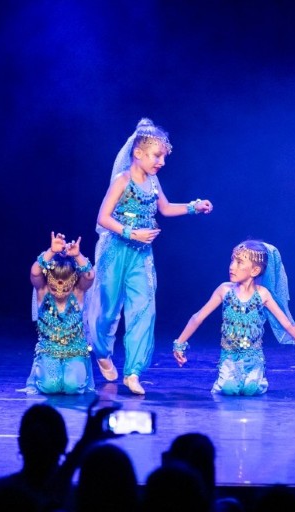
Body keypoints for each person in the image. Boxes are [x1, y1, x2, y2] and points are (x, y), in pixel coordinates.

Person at [84, 118, 213, 395]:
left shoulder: (153, 181)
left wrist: (194, 207)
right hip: (115, 253)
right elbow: (103, 217)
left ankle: (133, 372)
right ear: (138, 153)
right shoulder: (122, 180)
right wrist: (132, 233)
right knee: (107, 310)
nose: (161, 162)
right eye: (157, 156)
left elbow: (164, 209)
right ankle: (102, 352)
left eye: (164, 157)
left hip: (141, 256)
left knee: (144, 310)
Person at [172, 239, 295, 396]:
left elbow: (287, 324)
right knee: (229, 388)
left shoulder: (263, 294)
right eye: (232, 260)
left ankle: (255, 378)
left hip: (253, 359)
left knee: (250, 389)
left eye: (239, 262)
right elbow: (198, 317)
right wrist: (180, 344)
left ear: (255, 270)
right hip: (229, 358)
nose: (232, 266)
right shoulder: (224, 290)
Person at [21, 231, 96, 395]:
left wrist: (78, 256)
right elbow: (35, 272)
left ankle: (73, 373)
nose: (59, 292)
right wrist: (51, 252)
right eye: (54, 288)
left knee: (72, 386)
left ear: (73, 282)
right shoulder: (43, 291)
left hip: (75, 351)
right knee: (51, 385)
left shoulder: (78, 292)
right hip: (49, 351)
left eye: (65, 288)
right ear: (48, 281)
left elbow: (90, 276)